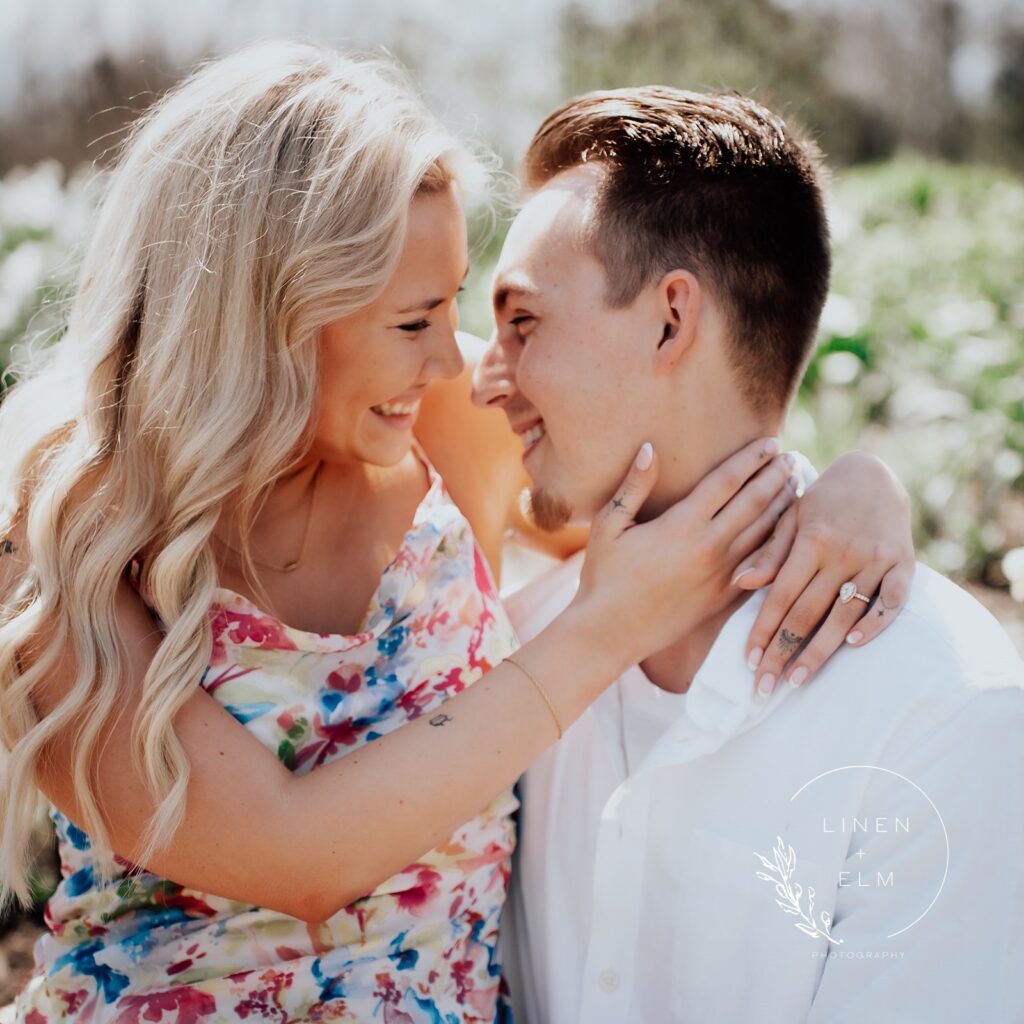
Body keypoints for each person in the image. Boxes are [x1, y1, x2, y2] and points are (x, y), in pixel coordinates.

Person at [0, 44, 916, 1023]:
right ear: (266, 316)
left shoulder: (441, 422)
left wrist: (854, 488)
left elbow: (668, 470)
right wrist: (601, 630)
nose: (456, 357)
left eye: (455, 305)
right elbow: (297, 859)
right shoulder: (62, 534)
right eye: (413, 320)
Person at [471, 87, 1024, 1023]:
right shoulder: (512, 653)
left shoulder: (942, 714)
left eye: (522, 321)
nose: (485, 375)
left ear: (670, 322)